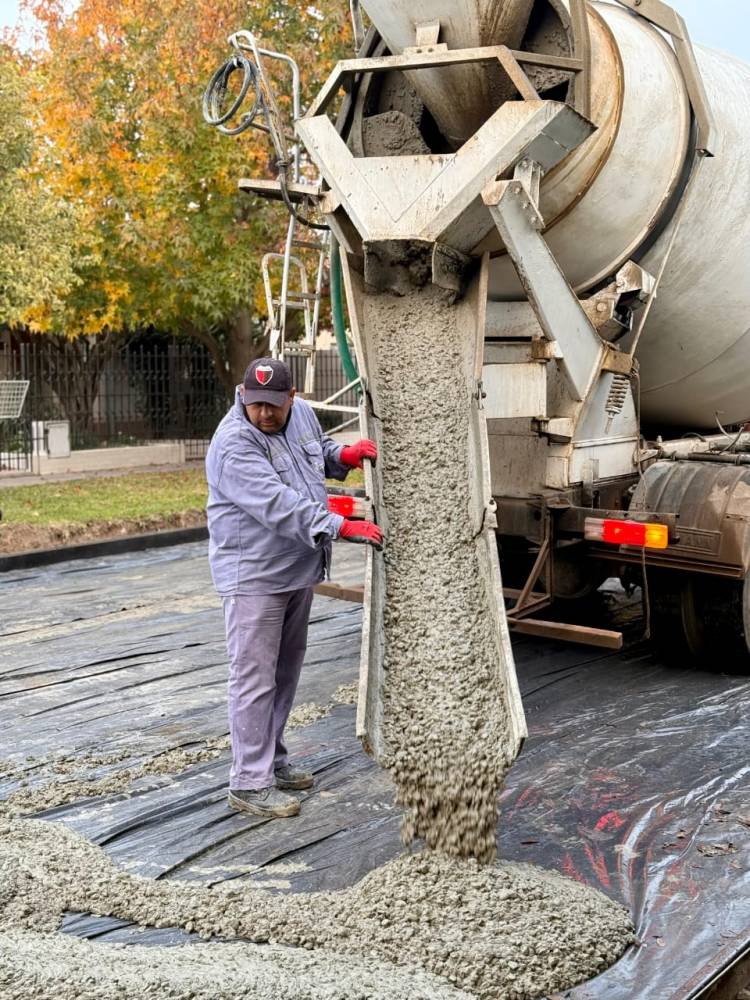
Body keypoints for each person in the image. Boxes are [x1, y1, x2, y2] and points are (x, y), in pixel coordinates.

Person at [205, 357, 383, 819]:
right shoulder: (233, 446)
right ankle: (248, 782)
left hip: (295, 569)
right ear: (243, 396)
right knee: (253, 678)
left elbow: (312, 451)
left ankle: (272, 761)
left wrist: (340, 456)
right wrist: (340, 527)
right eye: (255, 404)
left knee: (283, 673)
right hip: (255, 577)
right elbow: (277, 503)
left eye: (274, 405)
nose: (264, 414)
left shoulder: (299, 415)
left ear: (292, 398)